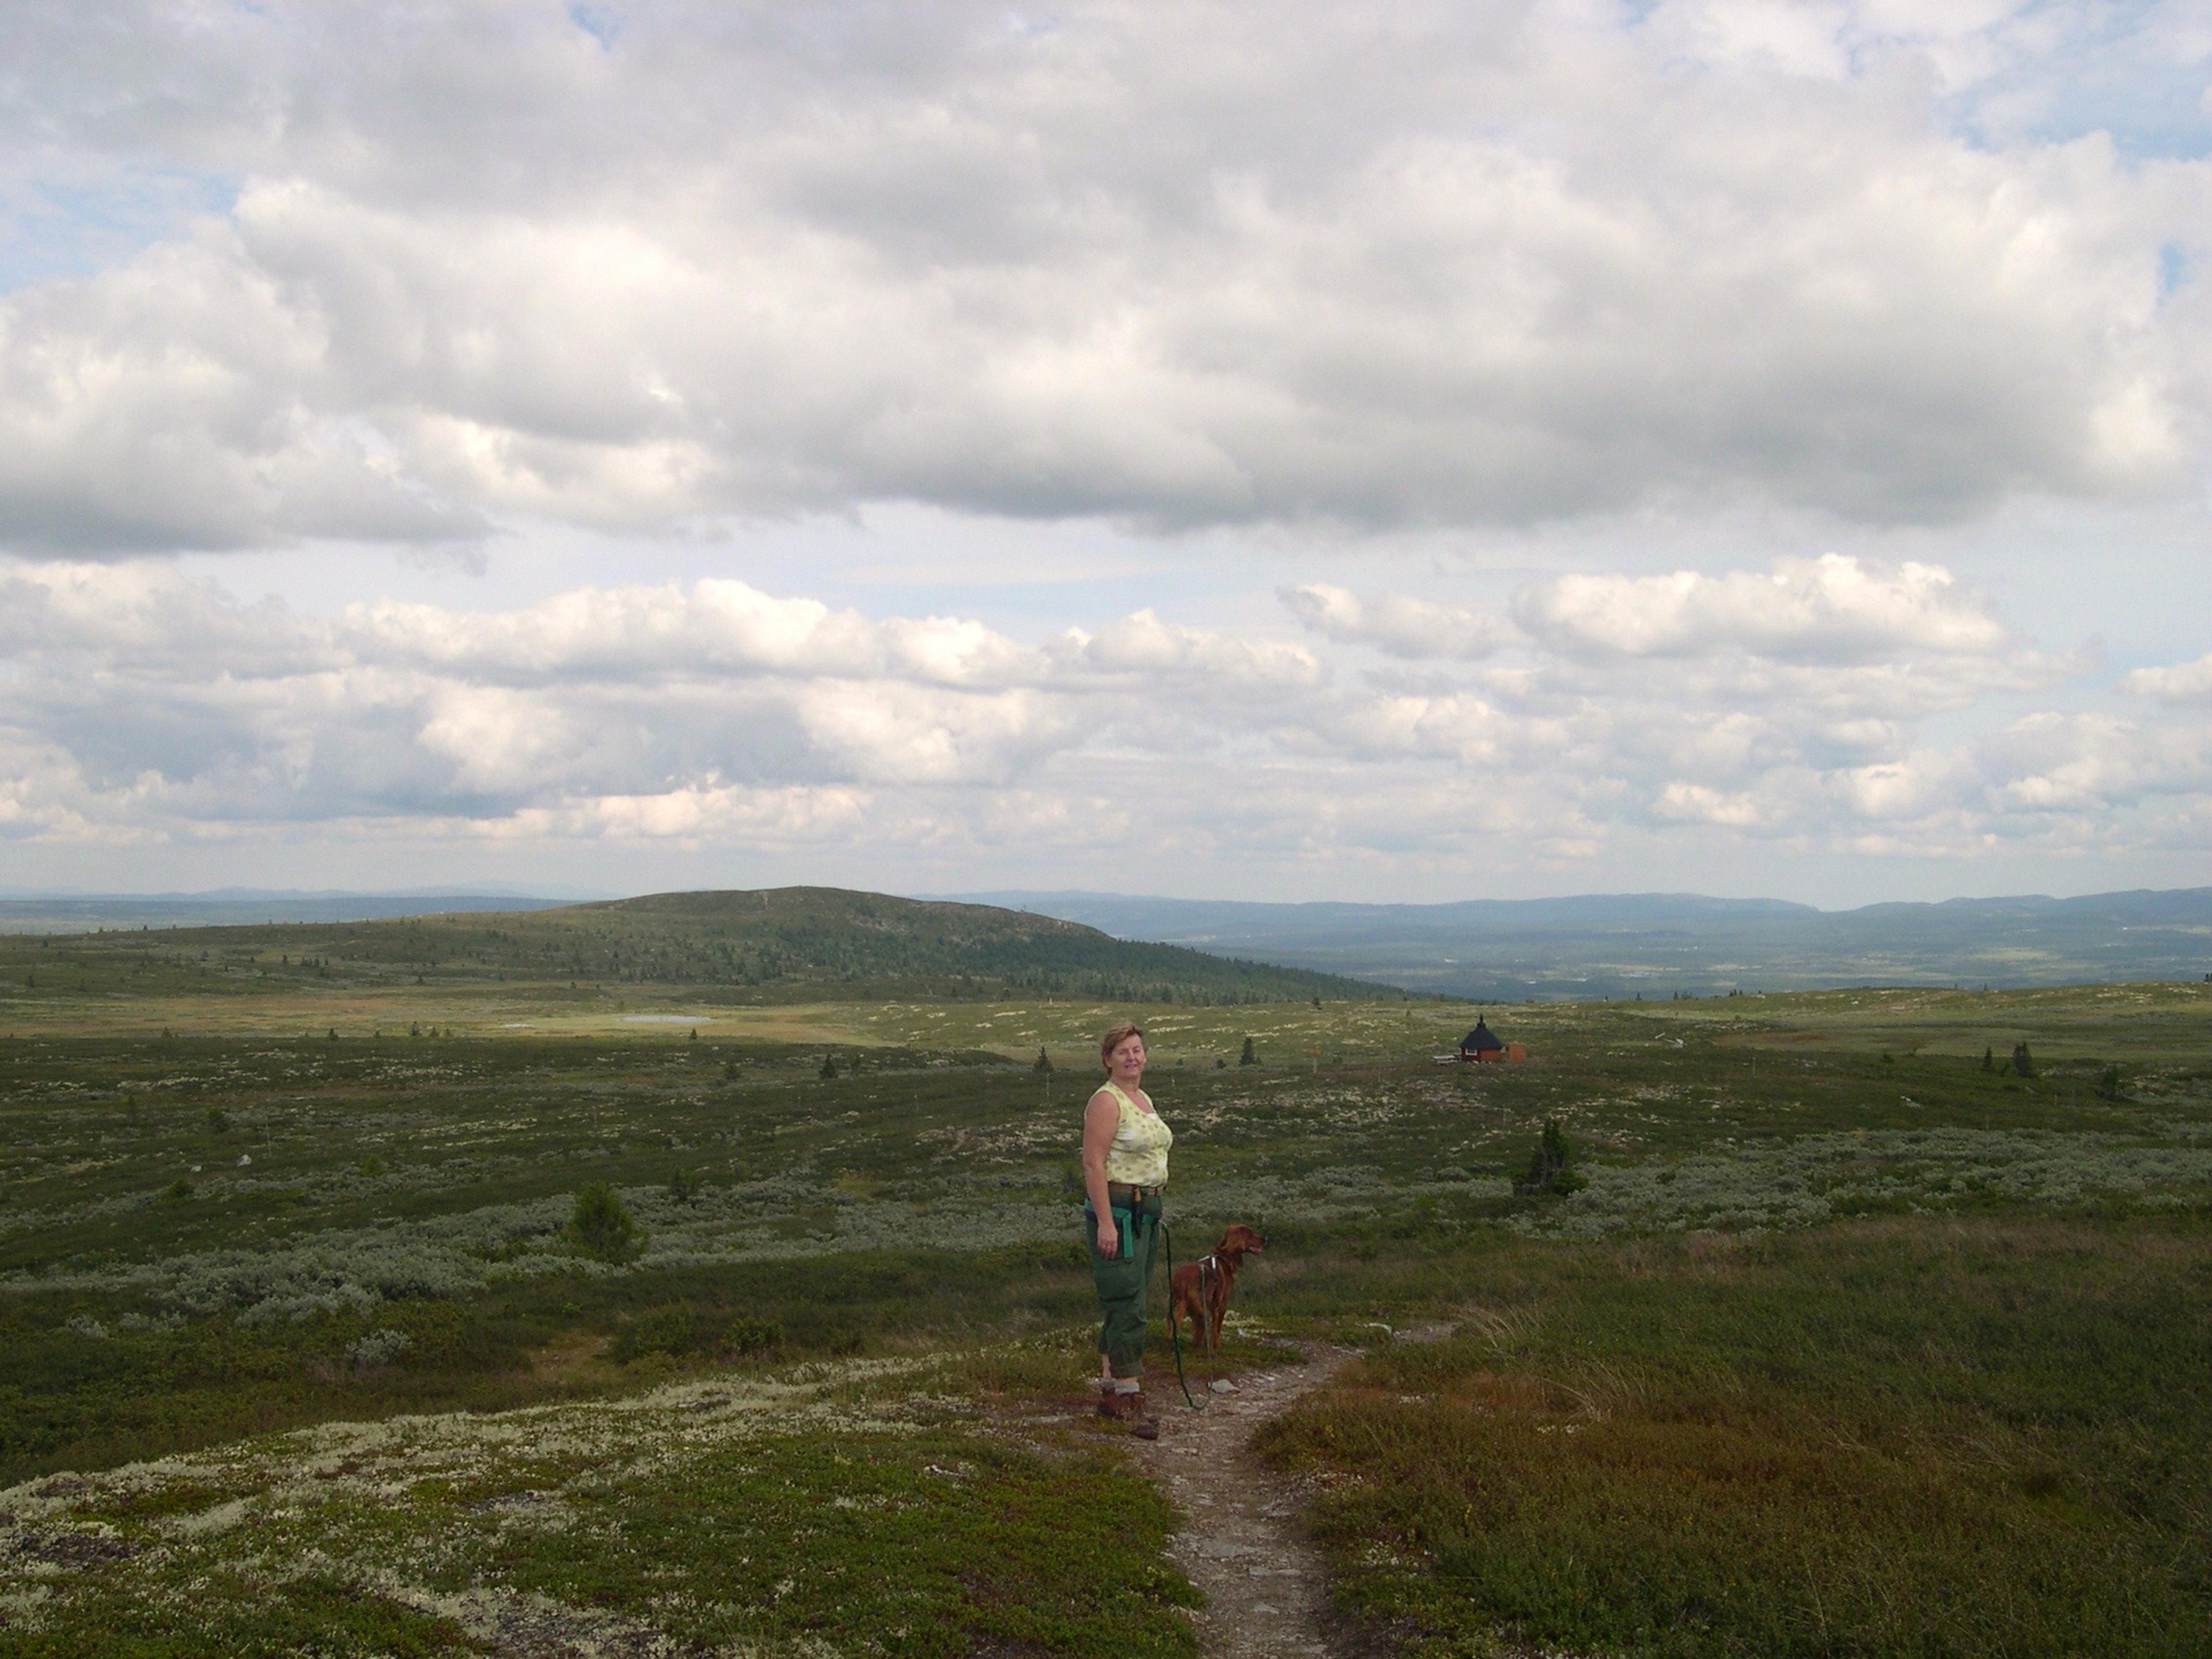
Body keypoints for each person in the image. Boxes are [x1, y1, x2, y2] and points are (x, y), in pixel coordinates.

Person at [1081, 1021, 1172, 1438]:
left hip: (1145, 1212)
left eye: (1137, 1050)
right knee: (1127, 1302)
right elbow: (1093, 1163)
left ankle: (1110, 1389)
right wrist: (1105, 1222)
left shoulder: (1142, 1098)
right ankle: (1128, 1396)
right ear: (1108, 1060)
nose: (1132, 1058)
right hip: (1119, 1211)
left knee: (1128, 1298)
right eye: (1123, 1052)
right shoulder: (1107, 1101)